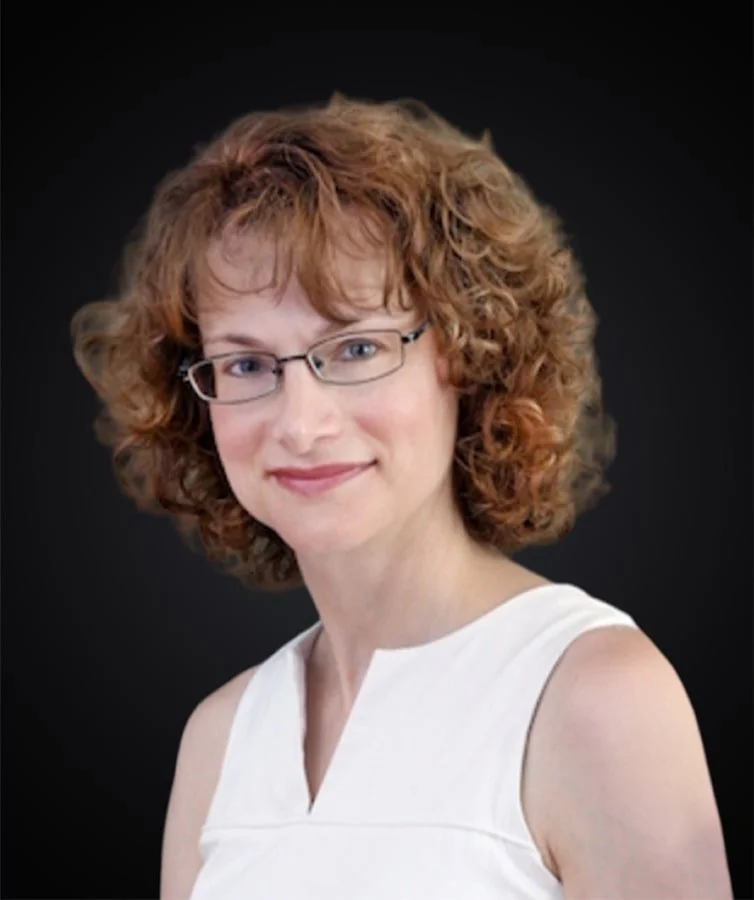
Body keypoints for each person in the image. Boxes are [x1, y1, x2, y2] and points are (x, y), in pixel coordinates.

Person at [70, 95, 733, 899]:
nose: (301, 423)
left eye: (354, 347)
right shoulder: (220, 739)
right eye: (247, 365)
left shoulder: (595, 697)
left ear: (468, 355)